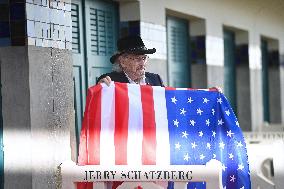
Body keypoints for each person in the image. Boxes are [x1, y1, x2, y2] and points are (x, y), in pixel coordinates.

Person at [97, 35, 164, 87]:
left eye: (144, 58)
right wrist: (100, 89)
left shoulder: (155, 80)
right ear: (123, 62)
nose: (142, 63)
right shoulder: (110, 81)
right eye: (137, 59)